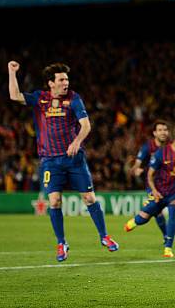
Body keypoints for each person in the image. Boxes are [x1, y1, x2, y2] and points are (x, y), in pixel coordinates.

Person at [7, 61, 119, 262]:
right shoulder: (40, 99)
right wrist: (12, 72)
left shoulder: (74, 99)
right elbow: (14, 96)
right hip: (50, 161)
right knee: (54, 201)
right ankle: (61, 243)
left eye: (66, 79)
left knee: (90, 199)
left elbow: (86, 126)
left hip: (74, 160)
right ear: (51, 83)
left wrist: (77, 142)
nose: (65, 83)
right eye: (61, 80)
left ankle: (104, 237)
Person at [124, 126, 175, 257]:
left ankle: (168, 248)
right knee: (144, 217)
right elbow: (150, 175)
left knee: (174, 209)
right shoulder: (162, 152)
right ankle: (135, 221)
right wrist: (154, 191)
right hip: (161, 191)